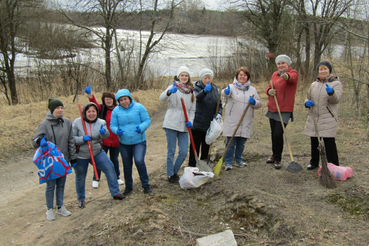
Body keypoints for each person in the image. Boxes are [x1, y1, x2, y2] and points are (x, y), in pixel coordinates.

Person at [32, 97, 78, 221]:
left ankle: (60, 207)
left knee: (61, 184)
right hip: (50, 162)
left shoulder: (67, 122)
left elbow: (71, 141)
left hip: (63, 160)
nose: (60, 110)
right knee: (51, 185)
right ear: (52, 109)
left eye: (62, 107)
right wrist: (40, 141)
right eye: (57, 108)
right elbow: (35, 141)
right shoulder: (45, 124)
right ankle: (49, 209)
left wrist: (73, 158)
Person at [72, 102, 125, 208]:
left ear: (97, 112)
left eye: (93, 111)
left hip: (96, 152)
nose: (91, 114)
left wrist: (103, 132)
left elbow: (106, 135)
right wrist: (82, 139)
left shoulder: (101, 122)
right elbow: (71, 139)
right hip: (81, 154)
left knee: (110, 168)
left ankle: (116, 193)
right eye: (89, 111)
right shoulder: (77, 122)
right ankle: (81, 199)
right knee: (80, 176)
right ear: (85, 113)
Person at [110, 89, 152, 195]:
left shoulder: (139, 107)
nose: (124, 102)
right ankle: (128, 186)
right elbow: (112, 125)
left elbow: (147, 120)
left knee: (139, 161)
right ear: (118, 101)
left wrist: (141, 127)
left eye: (125, 99)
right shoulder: (116, 111)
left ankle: (145, 184)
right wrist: (116, 131)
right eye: (121, 100)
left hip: (139, 141)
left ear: (129, 98)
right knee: (127, 165)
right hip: (124, 143)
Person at [159, 66, 196, 183]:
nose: (184, 77)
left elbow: (192, 110)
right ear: (179, 77)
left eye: (186, 75)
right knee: (171, 150)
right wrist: (169, 92)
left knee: (184, 151)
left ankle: (174, 171)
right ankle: (170, 174)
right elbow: (162, 99)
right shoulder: (173, 87)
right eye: (182, 75)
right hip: (171, 122)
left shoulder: (191, 91)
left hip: (184, 124)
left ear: (188, 77)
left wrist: (191, 120)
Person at [304, 61, 342, 170]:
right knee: (314, 140)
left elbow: (336, 100)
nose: (323, 71)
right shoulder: (314, 84)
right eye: (321, 69)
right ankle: (314, 162)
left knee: (329, 142)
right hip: (314, 116)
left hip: (328, 117)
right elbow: (308, 97)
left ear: (329, 70)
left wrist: (331, 93)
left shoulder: (336, 83)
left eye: (325, 69)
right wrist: (307, 103)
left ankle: (333, 165)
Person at [221, 66, 262, 171]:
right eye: (240, 75)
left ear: (247, 77)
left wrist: (255, 102)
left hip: (246, 120)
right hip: (233, 120)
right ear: (237, 76)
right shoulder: (232, 87)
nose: (242, 77)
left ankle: (239, 160)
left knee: (241, 143)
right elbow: (224, 94)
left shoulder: (252, 89)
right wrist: (225, 92)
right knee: (230, 143)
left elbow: (259, 104)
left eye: (244, 75)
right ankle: (228, 162)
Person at [84, 84, 124, 188]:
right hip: (103, 140)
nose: (108, 101)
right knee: (99, 160)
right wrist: (89, 94)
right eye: (106, 99)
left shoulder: (118, 109)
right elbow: (94, 104)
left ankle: (117, 177)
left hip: (116, 139)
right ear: (104, 100)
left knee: (114, 159)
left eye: (110, 99)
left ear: (113, 100)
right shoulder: (101, 109)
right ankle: (96, 178)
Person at [265, 54, 298, 169]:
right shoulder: (274, 74)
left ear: (288, 64)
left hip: (284, 109)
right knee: (273, 133)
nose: (281, 65)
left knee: (279, 133)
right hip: (273, 108)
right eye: (279, 63)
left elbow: (291, 78)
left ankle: (278, 159)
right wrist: (269, 91)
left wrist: (286, 77)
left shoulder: (293, 73)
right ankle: (274, 155)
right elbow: (269, 87)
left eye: (283, 63)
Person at [188, 68, 222, 167]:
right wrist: (204, 92)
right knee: (195, 147)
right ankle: (192, 166)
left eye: (209, 77)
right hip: (198, 123)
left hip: (209, 123)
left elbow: (219, 104)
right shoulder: (196, 88)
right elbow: (196, 98)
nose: (207, 80)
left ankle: (203, 166)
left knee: (206, 146)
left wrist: (219, 114)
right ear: (201, 78)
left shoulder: (215, 89)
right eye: (205, 77)